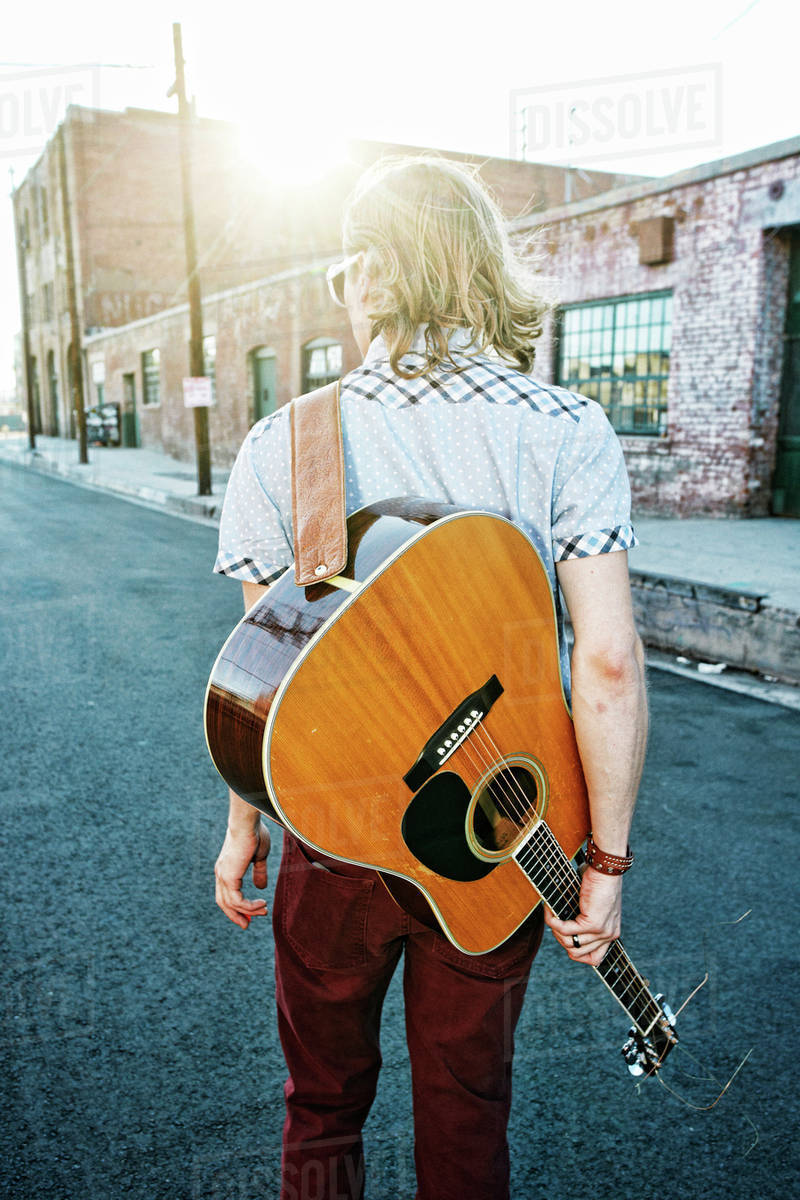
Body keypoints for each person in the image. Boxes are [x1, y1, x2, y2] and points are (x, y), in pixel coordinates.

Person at [212, 155, 648, 1200]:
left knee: (321, 1101)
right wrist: (606, 865)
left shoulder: (284, 442)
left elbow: (266, 672)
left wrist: (242, 830)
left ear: (365, 276)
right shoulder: (565, 429)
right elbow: (606, 661)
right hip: (501, 838)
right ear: (484, 275)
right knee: (468, 1108)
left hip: (336, 830)